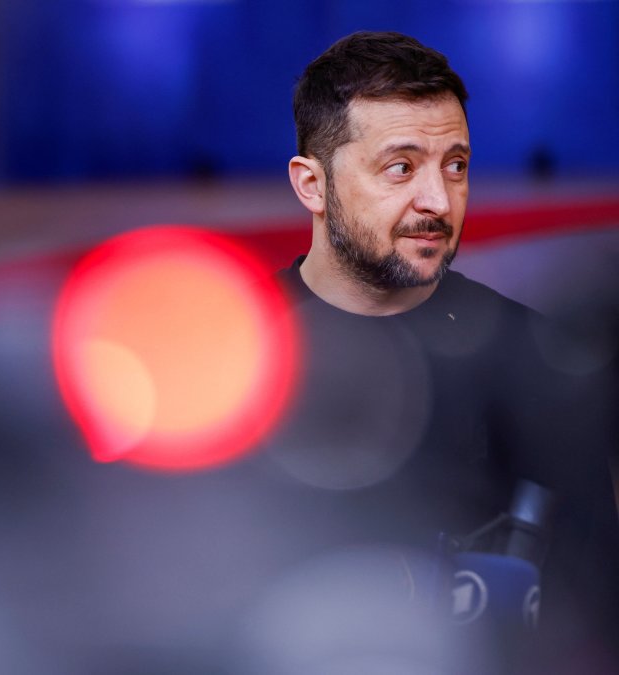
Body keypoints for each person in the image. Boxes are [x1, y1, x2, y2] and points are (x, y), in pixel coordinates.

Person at [258, 31, 618, 672]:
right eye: (401, 167)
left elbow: (590, 619)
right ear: (312, 185)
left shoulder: (535, 360)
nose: (438, 200)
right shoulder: (234, 362)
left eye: (455, 165)